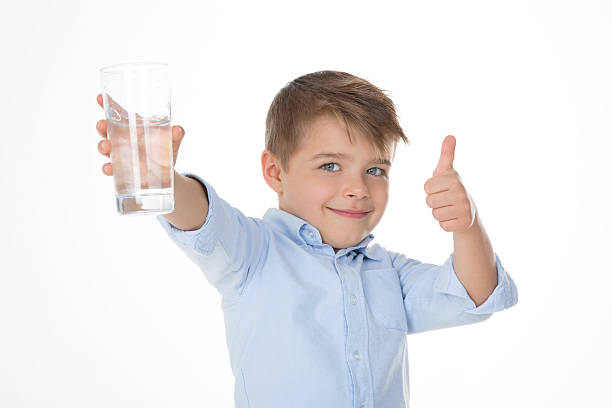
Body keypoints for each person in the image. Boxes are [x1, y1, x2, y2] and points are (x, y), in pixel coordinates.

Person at [95, 70, 518, 408]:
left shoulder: (389, 272)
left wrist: (466, 225)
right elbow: (202, 217)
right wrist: (163, 180)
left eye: (375, 170)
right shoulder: (253, 253)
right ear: (275, 172)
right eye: (331, 166)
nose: (358, 188)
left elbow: (475, 294)